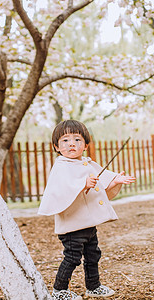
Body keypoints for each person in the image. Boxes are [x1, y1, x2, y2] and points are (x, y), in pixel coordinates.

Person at [38, 120, 136, 300]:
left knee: (93, 254)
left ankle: (93, 286)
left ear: (85, 145)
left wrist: (113, 181)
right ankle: (59, 290)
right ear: (56, 146)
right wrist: (82, 185)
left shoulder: (86, 163)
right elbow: (60, 191)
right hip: (72, 226)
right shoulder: (61, 166)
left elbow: (100, 187)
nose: (72, 144)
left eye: (77, 139)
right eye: (65, 140)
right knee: (72, 257)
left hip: (88, 223)